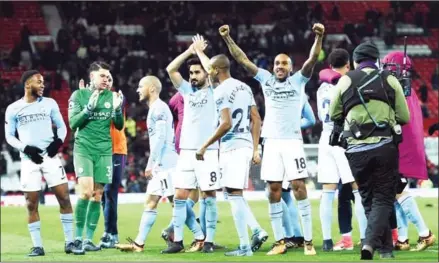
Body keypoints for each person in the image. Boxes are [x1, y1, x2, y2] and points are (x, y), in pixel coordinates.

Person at [220, 23, 325, 256]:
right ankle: (280, 242)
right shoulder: (265, 79)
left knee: (298, 187)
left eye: (284, 63)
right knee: (273, 189)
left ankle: (308, 241)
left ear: (290, 68)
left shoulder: (299, 80)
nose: (280, 66)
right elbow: (243, 60)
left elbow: (313, 58)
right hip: (271, 142)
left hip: (292, 142)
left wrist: (319, 37)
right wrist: (228, 39)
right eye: (277, 63)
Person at [328, 42, 410, 260]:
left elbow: (333, 112)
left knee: (367, 199)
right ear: (377, 60)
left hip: (355, 150)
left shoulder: (346, 80)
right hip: (384, 147)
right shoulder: (390, 79)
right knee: (383, 199)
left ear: (355, 61)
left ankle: (385, 251)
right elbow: (405, 117)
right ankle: (370, 243)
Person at [192, 34, 267, 256]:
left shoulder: (221, 91)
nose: (207, 72)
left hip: (232, 147)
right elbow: (257, 119)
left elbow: (226, 123)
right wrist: (255, 148)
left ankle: (245, 246)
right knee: (233, 194)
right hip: (244, 145)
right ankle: (256, 230)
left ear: (215, 71)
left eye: (210, 70)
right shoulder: (244, 87)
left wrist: (204, 146)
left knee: (233, 195)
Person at [5, 70, 74, 256]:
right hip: (29, 161)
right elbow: (9, 136)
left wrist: (58, 142)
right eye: (39, 82)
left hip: (50, 157)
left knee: (64, 198)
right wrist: (25, 148)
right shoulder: (13, 108)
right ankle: (37, 246)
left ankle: (70, 242)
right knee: (31, 204)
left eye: (43, 82)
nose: (43, 85)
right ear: (28, 85)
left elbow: (61, 126)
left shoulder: (50, 103)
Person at [162, 39, 219, 254]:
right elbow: (170, 69)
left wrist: (201, 55)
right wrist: (189, 50)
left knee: (209, 195)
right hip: (186, 152)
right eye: (191, 73)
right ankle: (177, 240)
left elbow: (213, 72)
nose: (193, 76)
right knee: (179, 196)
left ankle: (209, 241)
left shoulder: (215, 90)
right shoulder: (186, 90)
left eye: (197, 72)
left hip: (208, 152)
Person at [114, 76, 178, 252]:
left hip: (166, 164)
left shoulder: (159, 108)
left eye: (141, 86)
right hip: (162, 164)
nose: (137, 89)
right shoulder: (154, 109)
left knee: (177, 203)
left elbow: (161, 139)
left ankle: (200, 237)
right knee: (151, 202)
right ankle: (138, 244)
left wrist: (151, 163)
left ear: (151, 88)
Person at [382, 51, 436, 252]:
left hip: (397, 148)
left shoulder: (397, 90)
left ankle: (424, 233)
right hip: (405, 147)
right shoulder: (407, 90)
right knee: (396, 192)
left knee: (397, 192)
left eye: (389, 66)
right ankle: (403, 239)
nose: (386, 70)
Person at [68, 61, 124, 254]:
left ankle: (88, 240)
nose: (107, 81)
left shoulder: (112, 97)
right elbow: (73, 123)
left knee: (98, 194)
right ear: (92, 77)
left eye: (109, 78)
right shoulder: (79, 95)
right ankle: (76, 239)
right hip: (84, 148)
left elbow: (118, 125)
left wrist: (117, 110)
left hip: (105, 151)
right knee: (85, 192)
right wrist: (88, 110)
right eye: (103, 77)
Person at [316, 49, 367, 251]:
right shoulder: (348, 84)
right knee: (358, 189)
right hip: (345, 138)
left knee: (327, 192)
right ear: (348, 64)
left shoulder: (321, 88)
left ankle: (327, 241)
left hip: (325, 138)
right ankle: (364, 238)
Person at [278, 100, 316, 249]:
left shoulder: (275, 92)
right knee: (286, 194)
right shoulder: (299, 94)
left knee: (281, 193)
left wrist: (288, 126)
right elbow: (311, 120)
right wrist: (295, 125)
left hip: (282, 145)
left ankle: (292, 236)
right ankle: (297, 235)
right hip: (294, 144)